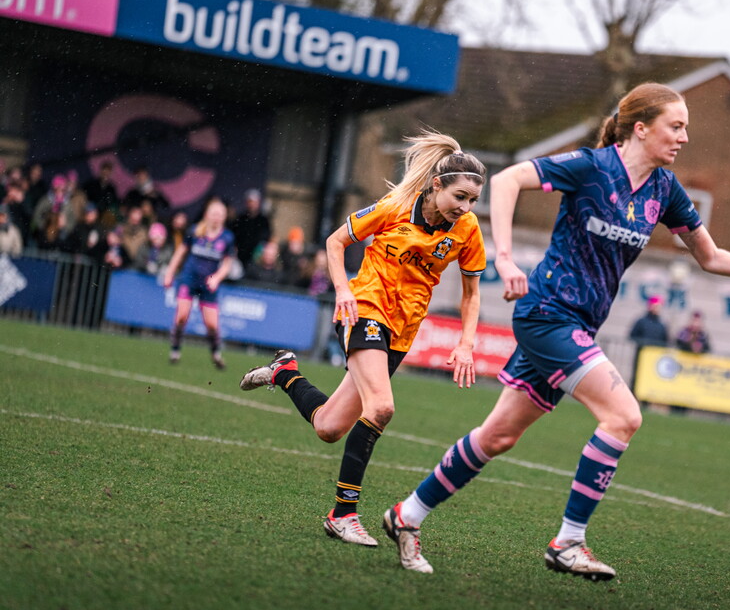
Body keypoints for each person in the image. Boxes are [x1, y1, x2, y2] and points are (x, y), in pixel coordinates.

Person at [380, 83, 730, 579]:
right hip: (548, 315)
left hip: (576, 325)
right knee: (623, 417)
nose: (684, 137)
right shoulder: (592, 167)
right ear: (640, 128)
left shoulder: (665, 189)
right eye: (676, 125)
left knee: (498, 437)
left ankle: (406, 515)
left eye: (686, 127)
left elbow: (707, 256)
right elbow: (511, 179)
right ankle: (569, 542)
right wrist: (507, 258)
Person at [239, 131, 487, 549]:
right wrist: (343, 290)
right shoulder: (393, 208)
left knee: (330, 426)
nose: (465, 207)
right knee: (382, 407)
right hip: (364, 312)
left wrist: (466, 343)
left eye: (473, 201)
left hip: (402, 331)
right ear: (437, 185)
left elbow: (471, 292)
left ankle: (285, 373)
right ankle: (343, 514)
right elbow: (336, 242)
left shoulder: (466, 229)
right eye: (460, 196)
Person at [163, 197, 235, 369]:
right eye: (214, 214)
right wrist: (170, 272)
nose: (217, 217)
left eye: (220, 214)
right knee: (181, 316)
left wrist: (216, 277)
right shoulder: (195, 230)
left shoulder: (227, 237)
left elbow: (227, 263)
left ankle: (216, 353)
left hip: (208, 285)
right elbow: (180, 252)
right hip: (189, 279)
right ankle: (175, 349)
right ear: (207, 215)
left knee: (212, 325)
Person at [229, 188, 272, 267]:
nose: (252, 204)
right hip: (240, 256)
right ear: (246, 203)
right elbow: (233, 235)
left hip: (257, 257)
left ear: (258, 203)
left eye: (254, 202)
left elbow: (267, 238)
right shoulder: (240, 219)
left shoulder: (264, 220)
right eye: (250, 202)